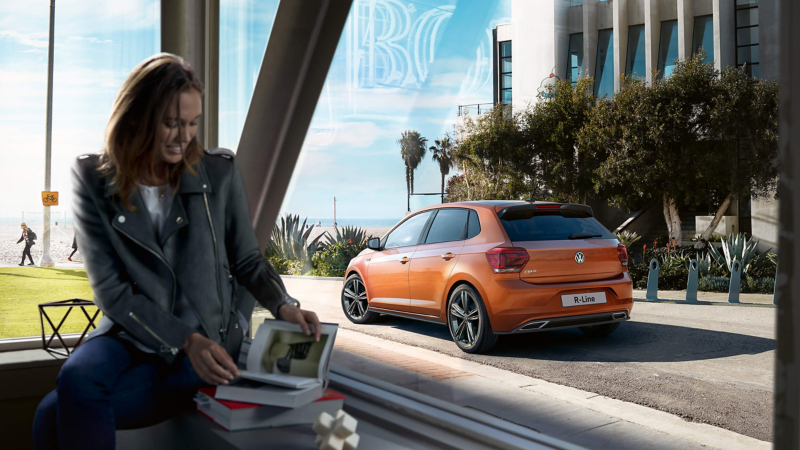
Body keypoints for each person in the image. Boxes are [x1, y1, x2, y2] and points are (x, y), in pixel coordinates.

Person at [32, 53, 322, 450]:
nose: (184, 136)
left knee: (51, 413)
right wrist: (184, 339)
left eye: (192, 123)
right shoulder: (92, 180)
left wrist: (284, 304)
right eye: (171, 122)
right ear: (136, 117)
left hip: (208, 341)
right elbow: (111, 292)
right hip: (130, 334)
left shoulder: (218, 173)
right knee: (75, 378)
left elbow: (248, 260)